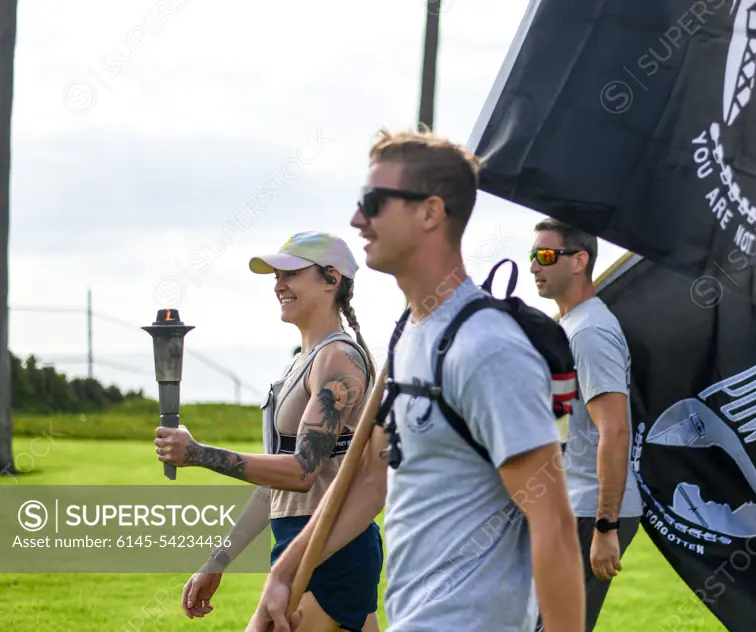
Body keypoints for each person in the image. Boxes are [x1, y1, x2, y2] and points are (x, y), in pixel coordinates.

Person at [244, 128, 586, 632]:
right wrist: (286, 570)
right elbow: (368, 476)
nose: (358, 219)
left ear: (429, 213)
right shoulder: (410, 333)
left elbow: (553, 525)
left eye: (374, 202)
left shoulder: (485, 348)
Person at [153, 230, 384, 632]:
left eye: (291, 273)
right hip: (301, 542)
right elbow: (275, 487)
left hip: (328, 549)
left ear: (331, 279)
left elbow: (300, 472)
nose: (278, 285)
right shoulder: (303, 362)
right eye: (276, 275)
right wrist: (219, 559)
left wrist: (198, 454)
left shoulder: (339, 359)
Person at [529, 218, 644, 632]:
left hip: (591, 510)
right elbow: (563, 426)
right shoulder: (570, 327)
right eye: (532, 256)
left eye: (545, 256)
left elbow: (614, 430)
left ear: (579, 261)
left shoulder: (591, 331)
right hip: (568, 505)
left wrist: (606, 525)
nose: (533, 267)